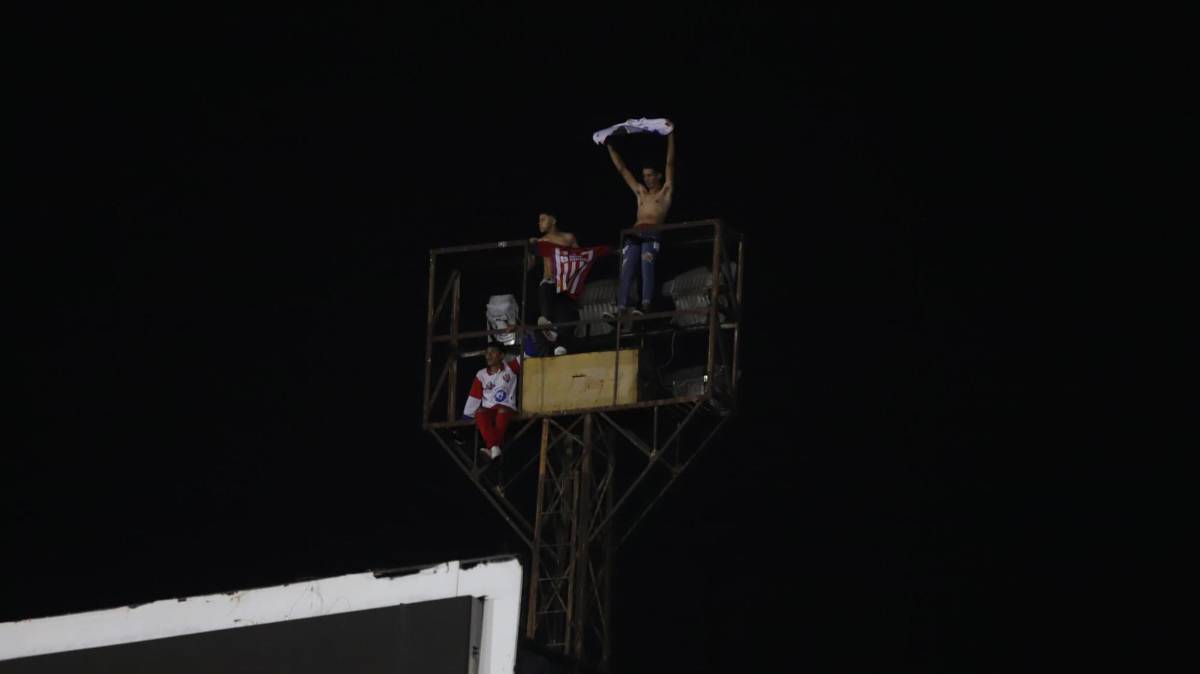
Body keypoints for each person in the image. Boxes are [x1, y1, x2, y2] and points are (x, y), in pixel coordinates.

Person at [603, 119, 675, 317]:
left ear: (658, 176)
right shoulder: (641, 193)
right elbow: (623, 171)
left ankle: (645, 305)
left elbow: (670, 163)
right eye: (645, 175)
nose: (647, 179)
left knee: (647, 265)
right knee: (626, 270)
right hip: (635, 232)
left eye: (651, 175)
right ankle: (620, 308)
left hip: (652, 234)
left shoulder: (665, 192)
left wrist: (670, 135)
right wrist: (608, 145)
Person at [528, 212, 577, 356]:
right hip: (548, 281)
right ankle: (548, 326)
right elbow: (529, 267)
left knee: (565, 314)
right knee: (546, 307)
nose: (539, 223)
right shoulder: (540, 242)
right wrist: (530, 248)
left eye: (543, 219)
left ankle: (559, 342)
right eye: (538, 220)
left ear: (553, 220)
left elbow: (580, 258)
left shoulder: (568, 238)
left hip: (565, 283)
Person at [462, 343, 521, 460]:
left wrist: (525, 331)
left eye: (492, 352)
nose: (488, 356)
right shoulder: (481, 374)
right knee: (479, 412)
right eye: (487, 353)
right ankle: (494, 447)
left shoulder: (511, 367)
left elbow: (529, 352)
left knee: (502, 410)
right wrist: (466, 417)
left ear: (501, 355)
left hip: (506, 408)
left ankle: (492, 446)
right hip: (489, 410)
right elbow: (474, 396)